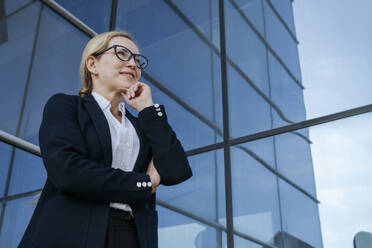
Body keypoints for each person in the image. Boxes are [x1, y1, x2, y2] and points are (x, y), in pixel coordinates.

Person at [18, 31, 192, 248]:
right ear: (93, 64)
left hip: (133, 235)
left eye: (137, 60)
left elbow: (177, 171)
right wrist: (144, 184)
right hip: (72, 233)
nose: (132, 64)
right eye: (122, 53)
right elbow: (68, 171)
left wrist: (147, 108)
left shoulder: (141, 125)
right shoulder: (65, 107)